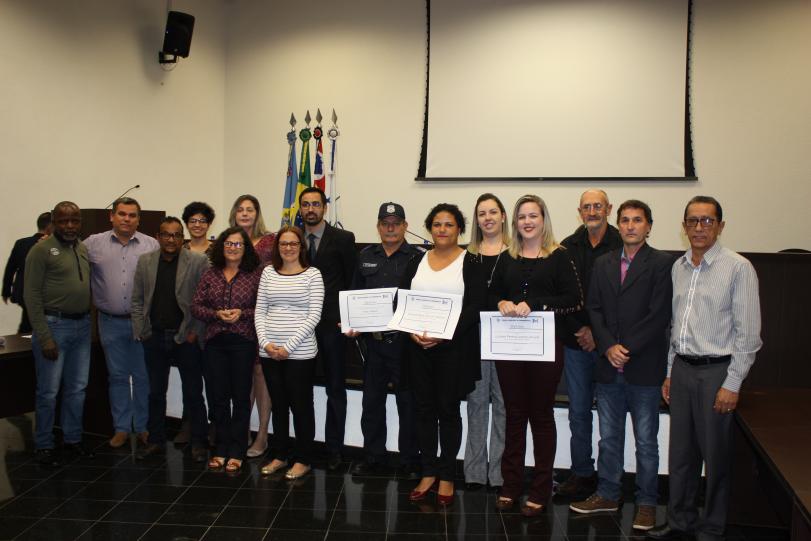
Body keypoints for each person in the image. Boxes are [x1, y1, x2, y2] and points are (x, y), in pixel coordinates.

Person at [648, 196, 762, 541]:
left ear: (720, 226)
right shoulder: (679, 267)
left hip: (717, 373)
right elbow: (676, 327)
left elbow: (749, 335)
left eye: (707, 221)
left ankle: (712, 527)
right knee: (681, 454)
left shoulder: (738, 268)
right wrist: (671, 372)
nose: (699, 228)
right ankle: (680, 521)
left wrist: (733, 383)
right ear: (684, 226)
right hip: (683, 369)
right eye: (693, 221)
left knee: (716, 456)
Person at [569, 200, 673, 532]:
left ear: (648, 226)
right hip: (608, 365)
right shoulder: (604, 263)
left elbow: (659, 315)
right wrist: (607, 346)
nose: (630, 226)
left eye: (637, 220)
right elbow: (594, 308)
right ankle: (608, 494)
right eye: (625, 220)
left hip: (644, 366)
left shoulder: (662, 264)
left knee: (646, 442)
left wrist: (625, 348)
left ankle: (647, 503)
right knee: (609, 438)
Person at [491, 194, 583, 516]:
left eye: (533, 216)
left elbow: (574, 299)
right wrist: (501, 302)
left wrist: (538, 305)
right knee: (514, 415)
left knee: (541, 416)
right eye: (522, 217)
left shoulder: (560, 256)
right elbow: (492, 294)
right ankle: (510, 486)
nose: (527, 222)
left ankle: (541, 490)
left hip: (546, 348)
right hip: (510, 348)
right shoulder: (507, 258)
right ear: (515, 223)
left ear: (544, 220)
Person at [402, 203, 485, 507]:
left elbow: (475, 306)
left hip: (454, 351)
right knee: (423, 410)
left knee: (448, 412)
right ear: (430, 228)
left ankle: (447, 476)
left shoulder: (471, 261)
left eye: (449, 224)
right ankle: (428, 472)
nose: (442, 229)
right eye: (437, 224)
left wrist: (444, 334)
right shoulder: (416, 260)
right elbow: (403, 299)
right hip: (418, 349)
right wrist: (410, 330)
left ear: (459, 229)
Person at [345, 202, 422, 478]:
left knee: (408, 403)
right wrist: (351, 322)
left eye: (396, 223)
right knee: (372, 402)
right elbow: (354, 293)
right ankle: (374, 457)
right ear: (378, 227)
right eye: (385, 223)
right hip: (374, 344)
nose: (390, 228)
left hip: (405, 344)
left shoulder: (418, 258)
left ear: (405, 226)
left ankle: (409, 460)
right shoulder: (365, 256)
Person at [557, 189, 622, 497]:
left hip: (611, 346)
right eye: (587, 207)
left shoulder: (623, 244)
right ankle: (582, 473)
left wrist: (599, 334)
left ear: (608, 209)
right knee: (578, 412)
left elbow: (626, 300)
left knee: (610, 417)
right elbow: (561, 296)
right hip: (576, 343)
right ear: (579, 212)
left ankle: (610, 481)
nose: (592, 211)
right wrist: (582, 330)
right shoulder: (567, 247)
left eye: (598, 206)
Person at [131, 217, 210, 463]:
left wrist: (195, 331)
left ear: (182, 238)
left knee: (193, 392)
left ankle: (198, 441)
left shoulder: (197, 261)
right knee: (155, 392)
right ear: (158, 236)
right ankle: (155, 440)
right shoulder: (145, 261)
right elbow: (137, 299)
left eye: (176, 235)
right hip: (154, 336)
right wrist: (141, 329)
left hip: (185, 336)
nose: (171, 239)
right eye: (166, 234)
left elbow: (205, 300)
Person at [84, 197, 159, 448]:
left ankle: (143, 426)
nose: (127, 219)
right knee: (117, 376)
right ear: (112, 216)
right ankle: (121, 428)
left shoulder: (151, 245)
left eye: (132, 215)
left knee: (142, 376)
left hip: (142, 321)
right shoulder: (93, 243)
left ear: (139, 219)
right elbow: (69, 256)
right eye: (122, 214)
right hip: (109, 321)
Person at [23, 202, 93, 466]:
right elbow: (31, 295)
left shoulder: (82, 247)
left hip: (82, 326)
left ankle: (73, 439)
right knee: (48, 392)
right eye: (64, 221)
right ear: (54, 221)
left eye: (75, 220)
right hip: (54, 326)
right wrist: (44, 336)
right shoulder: (40, 251)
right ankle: (44, 444)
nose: (70, 226)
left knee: (77, 388)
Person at [255, 226, 324, 480]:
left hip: (300, 353)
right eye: (283, 243)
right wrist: (265, 343)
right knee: (279, 405)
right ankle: (280, 455)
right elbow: (260, 310)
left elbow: (314, 315)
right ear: (277, 247)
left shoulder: (313, 275)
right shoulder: (268, 273)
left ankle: (303, 459)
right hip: (270, 352)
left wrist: (288, 346)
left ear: (301, 247)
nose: (288, 248)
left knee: (301, 406)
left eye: (293, 243)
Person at [191, 227, 262, 473]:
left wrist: (242, 313)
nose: (233, 248)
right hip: (215, 342)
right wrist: (216, 314)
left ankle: (237, 450)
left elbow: (262, 308)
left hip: (243, 342)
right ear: (222, 247)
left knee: (241, 398)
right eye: (229, 244)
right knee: (218, 397)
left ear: (246, 248)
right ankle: (221, 448)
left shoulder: (255, 275)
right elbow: (196, 307)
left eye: (238, 244)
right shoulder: (210, 274)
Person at [299, 187, 357, 470]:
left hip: (332, 326)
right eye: (305, 204)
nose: (310, 209)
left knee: (335, 388)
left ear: (324, 207)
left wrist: (349, 319)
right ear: (300, 209)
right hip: (299, 327)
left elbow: (351, 280)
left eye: (316, 204)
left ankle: (335, 449)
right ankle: (304, 448)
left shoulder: (343, 239)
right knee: (301, 389)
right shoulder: (291, 239)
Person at [463, 193, 509, 492]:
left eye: (493, 212)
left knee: (504, 405)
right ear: (477, 220)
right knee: (476, 404)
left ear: (503, 216)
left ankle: (500, 474)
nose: (488, 218)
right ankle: (475, 473)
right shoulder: (467, 256)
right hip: (475, 336)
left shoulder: (517, 253)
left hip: (507, 338)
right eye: (482, 213)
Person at [228, 194, 274, 458]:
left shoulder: (270, 241)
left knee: (260, 373)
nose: (245, 214)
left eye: (250, 209)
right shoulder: (229, 241)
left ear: (257, 213)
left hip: (264, 314)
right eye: (240, 209)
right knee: (241, 374)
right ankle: (241, 430)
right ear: (234, 214)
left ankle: (263, 434)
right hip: (237, 317)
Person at [176, 201, 216, 445]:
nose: (197, 225)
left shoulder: (218, 250)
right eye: (193, 221)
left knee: (213, 380)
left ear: (209, 224)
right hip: (185, 325)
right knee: (189, 381)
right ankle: (189, 423)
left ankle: (214, 426)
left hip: (210, 325)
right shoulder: (178, 249)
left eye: (202, 220)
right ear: (186, 224)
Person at [3, 211, 51, 334]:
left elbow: (10, 268)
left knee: (27, 323)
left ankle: (23, 341)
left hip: (22, 291)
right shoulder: (51, 245)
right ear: (50, 227)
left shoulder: (21, 243)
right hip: (44, 294)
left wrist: (6, 291)